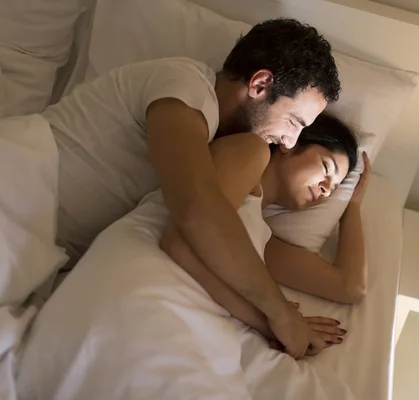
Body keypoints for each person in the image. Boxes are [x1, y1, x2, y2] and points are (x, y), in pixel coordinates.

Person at [39, 18, 340, 358]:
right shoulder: (183, 87)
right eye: (294, 122)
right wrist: (279, 314)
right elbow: (197, 214)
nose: (289, 141)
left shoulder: (219, 138)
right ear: (260, 84)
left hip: (42, 244)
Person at [161, 113, 370, 349]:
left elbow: (350, 288)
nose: (325, 191)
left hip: (186, 324)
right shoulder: (251, 150)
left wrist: (352, 206)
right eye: (326, 168)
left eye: (332, 190)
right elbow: (182, 245)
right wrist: (277, 321)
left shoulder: (264, 241)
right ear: (290, 144)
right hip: (155, 289)